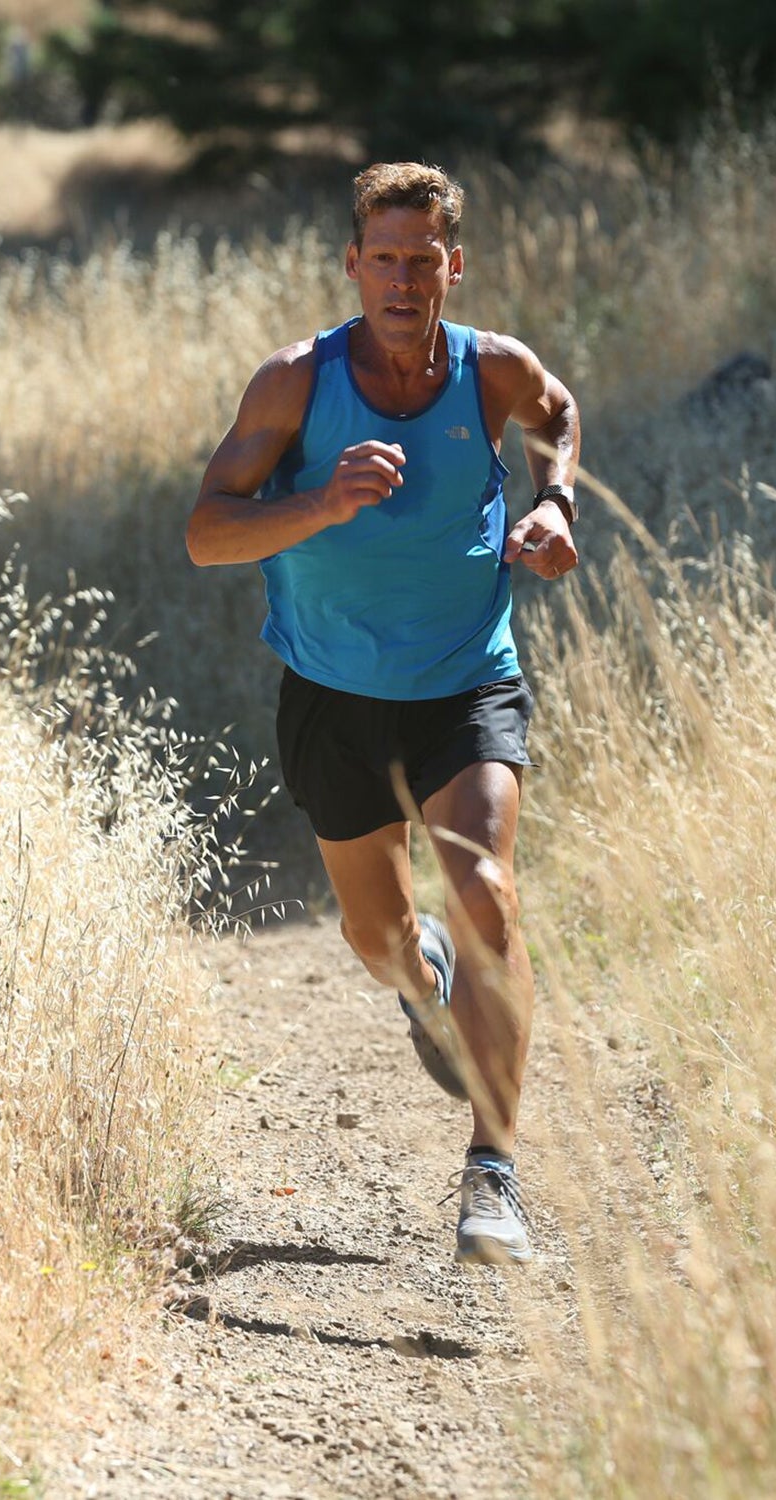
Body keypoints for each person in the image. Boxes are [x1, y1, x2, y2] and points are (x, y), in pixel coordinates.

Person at [187, 161, 580, 1265]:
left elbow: (559, 419)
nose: (403, 280)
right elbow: (207, 533)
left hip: (467, 685)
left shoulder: (492, 370)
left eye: (424, 260)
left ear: (453, 267)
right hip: (333, 696)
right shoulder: (294, 386)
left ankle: (493, 1179)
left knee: (487, 893)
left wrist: (551, 505)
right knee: (377, 937)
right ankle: (426, 984)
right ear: (353, 265)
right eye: (384, 259)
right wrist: (317, 501)